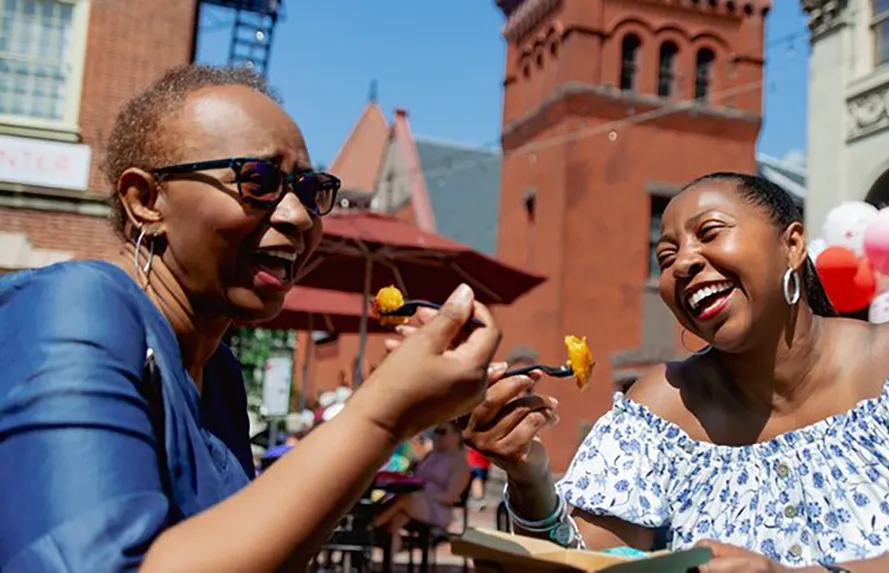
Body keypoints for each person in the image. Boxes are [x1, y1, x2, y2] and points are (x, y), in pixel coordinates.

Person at [0, 65, 521, 572]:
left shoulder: (219, 374)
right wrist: (383, 415)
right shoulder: (74, 304)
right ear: (146, 200)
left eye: (311, 191)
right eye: (258, 180)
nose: (298, 217)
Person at [388, 173, 889, 572]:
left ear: (791, 245)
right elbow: (586, 564)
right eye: (666, 255)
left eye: (710, 233)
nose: (685, 263)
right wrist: (528, 475)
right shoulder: (662, 405)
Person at [374, 422, 470, 555]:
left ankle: (370, 526)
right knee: (395, 523)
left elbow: (450, 497)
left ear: (457, 435)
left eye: (442, 432)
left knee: (405, 499)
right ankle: (386, 563)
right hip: (415, 504)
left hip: (437, 509)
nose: (437, 436)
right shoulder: (430, 455)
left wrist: (423, 496)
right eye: (435, 432)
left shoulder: (460, 464)